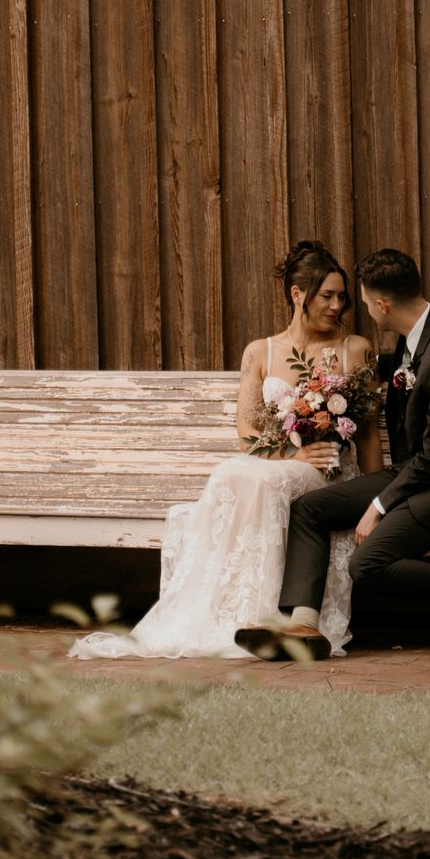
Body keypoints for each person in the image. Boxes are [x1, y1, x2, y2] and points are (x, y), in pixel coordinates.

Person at [69, 242, 381, 660]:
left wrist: (374, 497)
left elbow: (369, 435)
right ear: (297, 294)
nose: (337, 304)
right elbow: (247, 430)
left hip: (328, 469)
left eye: (341, 296)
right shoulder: (260, 351)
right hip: (281, 462)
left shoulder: (353, 349)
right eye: (327, 295)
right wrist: (290, 457)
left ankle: (272, 615)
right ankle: (227, 612)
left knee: (255, 479)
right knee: (234, 472)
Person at [235, 249, 430, 660]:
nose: (362, 310)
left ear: (383, 304)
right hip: (419, 472)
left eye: (365, 302)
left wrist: (378, 503)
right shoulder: (418, 335)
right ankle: (303, 624)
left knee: (367, 564)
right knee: (309, 510)